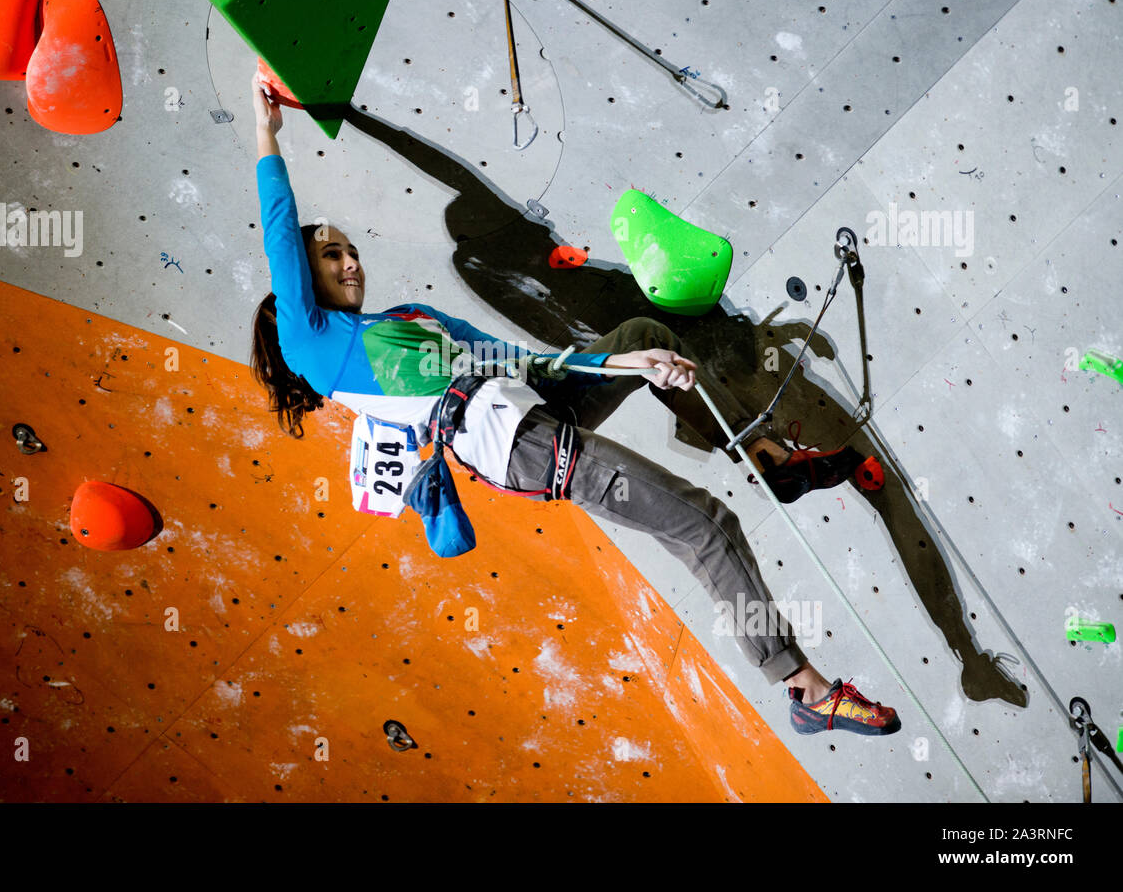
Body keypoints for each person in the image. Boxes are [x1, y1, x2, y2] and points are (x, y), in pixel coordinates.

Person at [248, 69, 899, 737]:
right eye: (331, 256)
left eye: (350, 250)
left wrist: (619, 363)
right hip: (524, 447)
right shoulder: (316, 346)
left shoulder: (411, 319)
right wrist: (268, 133)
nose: (350, 262)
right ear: (302, 287)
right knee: (705, 526)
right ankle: (804, 689)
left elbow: (522, 361)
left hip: (534, 398)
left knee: (646, 334)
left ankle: (764, 455)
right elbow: (279, 231)